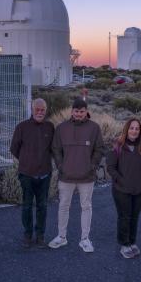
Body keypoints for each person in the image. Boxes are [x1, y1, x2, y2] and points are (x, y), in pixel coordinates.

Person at [49, 98, 103, 253]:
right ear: (72, 111)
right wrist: (61, 166)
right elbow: (56, 149)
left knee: (86, 207)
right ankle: (61, 237)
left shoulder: (94, 128)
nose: (79, 114)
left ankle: (85, 239)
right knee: (63, 206)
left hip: (87, 177)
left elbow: (99, 149)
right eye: (76, 111)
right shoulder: (62, 128)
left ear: (86, 111)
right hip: (66, 176)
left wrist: (92, 166)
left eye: (82, 111)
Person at [10, 97, 54, 248]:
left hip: (45, 175)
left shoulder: (50, 127)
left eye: (43, 110)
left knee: (42, 206)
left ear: (46, 110)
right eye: (37, 109)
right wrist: (26, 160)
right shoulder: (22, 127)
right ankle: (28, 235)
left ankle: (40, 235)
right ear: (32, 109)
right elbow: (14, 148)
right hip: (27, 175)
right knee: (27, 206)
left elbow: (53, 149)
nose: (40, 112)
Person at [107, 118, 141, 259]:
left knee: (135, 217)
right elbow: (111, 167)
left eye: (137, 129)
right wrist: (120, 179)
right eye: (132, 128)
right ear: (126, 129)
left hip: (139, 189)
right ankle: (124, 244)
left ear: (140, 131)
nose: (134, 131)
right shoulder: (118, 145)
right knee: (124, 217)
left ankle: (132, 241)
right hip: (121, 189)